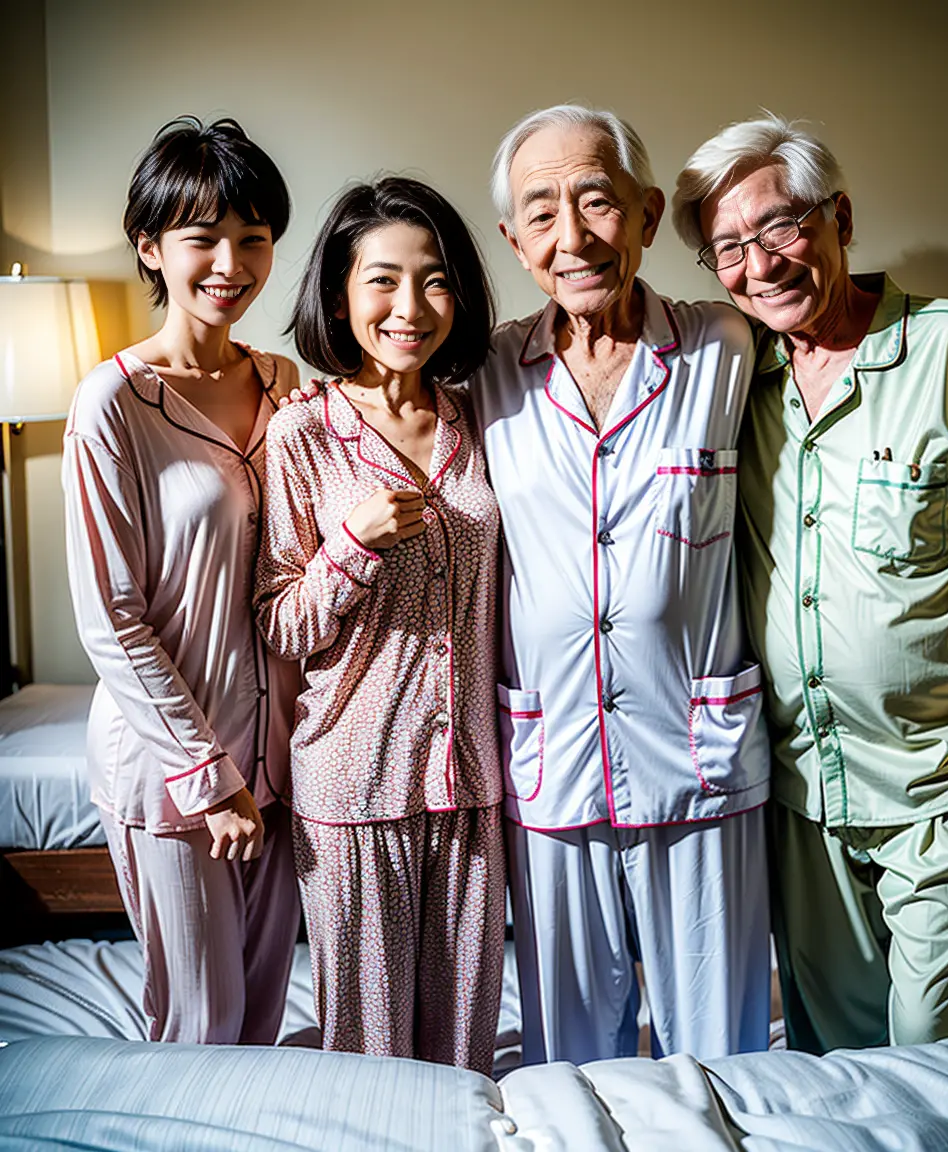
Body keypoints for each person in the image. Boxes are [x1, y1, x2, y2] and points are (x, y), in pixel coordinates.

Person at [673, 113, 948, 1053]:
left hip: (943, 785)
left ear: (838, 216)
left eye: (779, 227)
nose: (760, 264)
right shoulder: (737, 375)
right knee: (837, 1070)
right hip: (802, 793)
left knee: (935, 1058)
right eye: (728, 248)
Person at [473, 104, 773, 1065]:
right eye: (543, 213)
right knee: (570, 1062)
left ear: (645, 214)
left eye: (597, 201)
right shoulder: (484, 375)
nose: (575, 237)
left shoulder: (726, 347)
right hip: (552, 754)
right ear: (515, 242)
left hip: (699, 753)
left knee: (722, 1057)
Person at [254, 177, 505, 1070]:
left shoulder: (478, 418)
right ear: (339, 296)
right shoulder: (303, 433)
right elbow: (281, 623)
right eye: (383, 281)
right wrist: (350, 547)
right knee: (370, 1056)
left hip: (469, 780)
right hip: (353, 789)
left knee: (463, 1050)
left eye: (435, 281)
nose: (411, 307)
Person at [63, 116, 301, 1044]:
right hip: (174, 767)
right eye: (202, 238)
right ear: (151, 248)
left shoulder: (287, 384)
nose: (229, 263)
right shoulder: (112, 402)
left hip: (280, 756)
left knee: (267, 1015)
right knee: (202, 1026)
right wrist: (209, 778)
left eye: (253, 238)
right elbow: (112, 619)